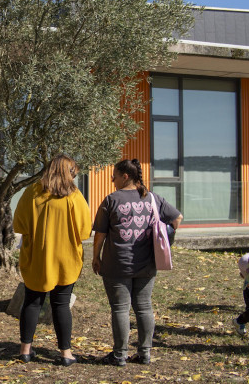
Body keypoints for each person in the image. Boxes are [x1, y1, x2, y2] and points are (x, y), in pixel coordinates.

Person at [92, 159, 182, 366]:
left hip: (117, 264)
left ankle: (120, 355)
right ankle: (144, 353)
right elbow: (177, 219)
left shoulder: (111, 200)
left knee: (120, 309)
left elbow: (100, 235)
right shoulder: (152, 198)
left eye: (114, 175)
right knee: (144, 307)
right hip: (146, 264)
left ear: (125, 176)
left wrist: (96, 257)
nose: (111, 179)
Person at [12, 154, 92, 366]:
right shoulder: (74, 196)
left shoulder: (32, 192)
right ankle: (66, 354)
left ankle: (25, 351)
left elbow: (19, 225)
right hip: (66, 259)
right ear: (70, 172)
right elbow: (85, 231)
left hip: (37, 257)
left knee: (32, 302)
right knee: (61, 304)